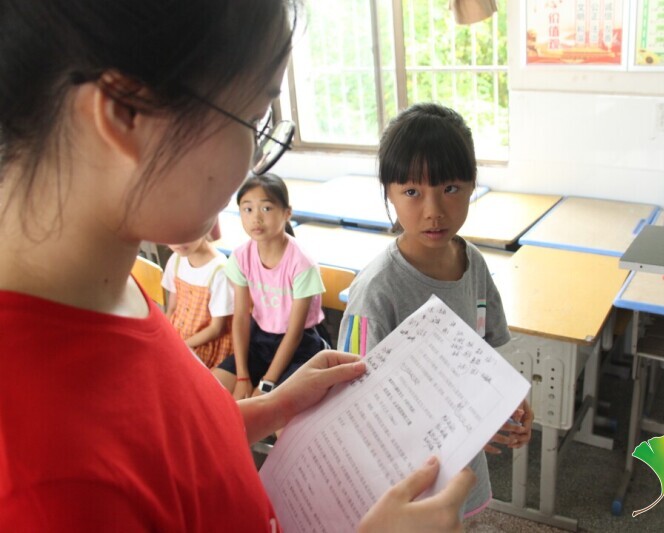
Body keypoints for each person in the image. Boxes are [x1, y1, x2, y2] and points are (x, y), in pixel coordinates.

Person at [0, 1, 476, 530]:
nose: (253, 159)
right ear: (125, 116)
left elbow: (173, 447)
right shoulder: (42, 485)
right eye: (251, 118)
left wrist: (274, 407)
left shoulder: (107, 287)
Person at [338, 102, 534, 518]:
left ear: (472, 185)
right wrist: (469, 421)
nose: (433, 211)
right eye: (412, 192)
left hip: (465, 469)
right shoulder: (376, 291)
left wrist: (505, 403)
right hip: (405, 486)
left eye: (450, 188)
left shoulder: (472, 262)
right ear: (389, 193)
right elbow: (356, 410)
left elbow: (484, 353)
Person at [212, 174, 331, 400]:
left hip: (299, 346)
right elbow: (241, 317)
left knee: (273, 410)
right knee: (211, 390)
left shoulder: (302, 264)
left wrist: (266, 384)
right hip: (259, 340)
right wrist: (243, 377)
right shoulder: (240, 256)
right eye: (247, 209)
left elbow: (294, 333)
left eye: (266, 208)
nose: (256, 218)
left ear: (287, 213)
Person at [162, 235, 234, 369]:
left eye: (186, 233)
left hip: (204, 344)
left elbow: (216, 329)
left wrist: (181, 346)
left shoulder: (220, 271)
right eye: (171, 234)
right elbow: (172, 309)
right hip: (178, 337)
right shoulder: (176, 259)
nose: (178, 241)